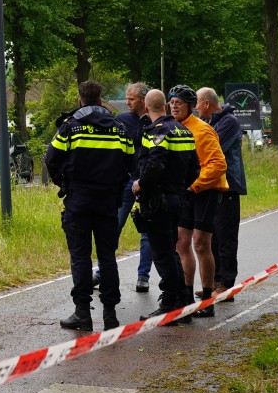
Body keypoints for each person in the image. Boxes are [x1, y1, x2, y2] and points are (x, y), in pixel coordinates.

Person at [43, 79, 135, 331]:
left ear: (79, 99)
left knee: (81, 258)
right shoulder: (119, 129)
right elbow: (132, 164)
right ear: (100, 99)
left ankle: (82, 313)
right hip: (108, 203)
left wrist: (63, 183)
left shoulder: (70, 128)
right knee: (108, 257)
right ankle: (110, 314)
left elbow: (50, 158)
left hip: (79, 201)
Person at [132, 88, 193, 320]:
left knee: (162, 253)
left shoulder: (155, 132)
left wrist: (141, 184)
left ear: (146, 108)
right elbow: (195, 167)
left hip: (158, 200)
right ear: (166, 106)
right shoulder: (184, 131)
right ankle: (182, 302)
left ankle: (169, 302)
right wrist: (180, 187)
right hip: (178, 197)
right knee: (172, 250)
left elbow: (154, 164)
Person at [169, 84, 227, 319]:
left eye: (179, 103)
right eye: (171, 102)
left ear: (191, 107)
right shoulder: (171, 128)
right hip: (185, 192)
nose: (174, 106)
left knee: (201, 243)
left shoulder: (202, 130)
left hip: (206, 190)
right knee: (181, 243)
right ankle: (185, 298)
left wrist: (195, 186)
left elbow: (219, 165)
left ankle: (206, 299)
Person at [197, 87, 247, 302]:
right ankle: (215, 282)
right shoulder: (209, 123)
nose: (196, 108)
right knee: (213, 237)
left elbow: (210, 148)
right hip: (213, 186)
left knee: (226, 237)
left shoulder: (229, 122)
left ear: (207, 103)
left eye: (197, 103)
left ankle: (226, 285)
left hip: (228, 187)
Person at [115, 82, 153, 293]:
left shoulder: (154, 120)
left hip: (147, 181)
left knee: (147, 231)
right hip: (127, 181)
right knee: (114, 226)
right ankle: (103, 273)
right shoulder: (121, 121)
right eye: (126, 98)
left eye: (131, 99)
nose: (127, 102)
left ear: (143, 100)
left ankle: (143, 277)